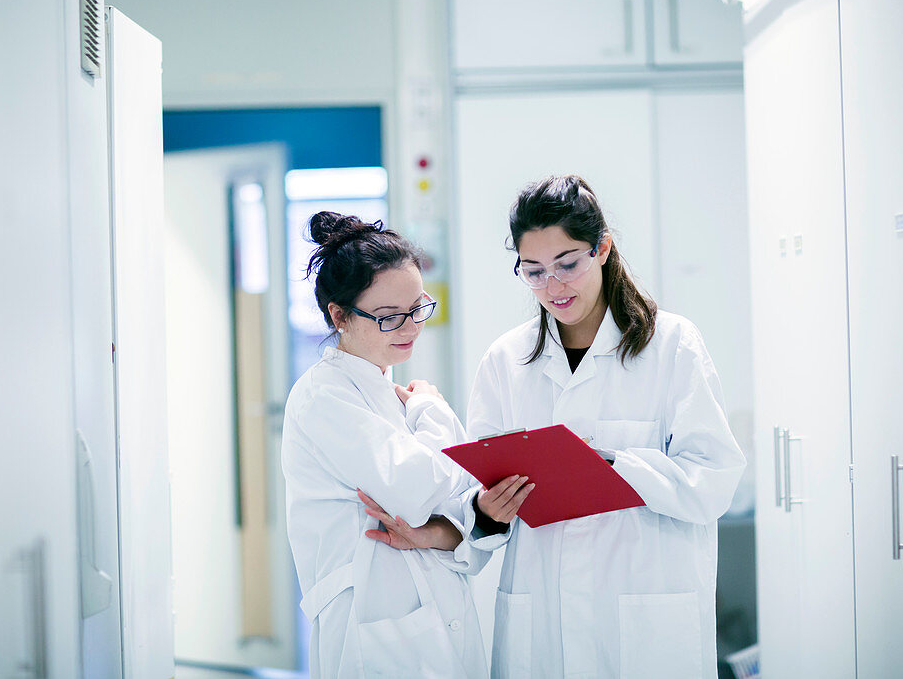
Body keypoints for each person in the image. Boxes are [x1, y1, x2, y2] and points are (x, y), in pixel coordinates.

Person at [465, 175, 747, 678]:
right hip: (543, 610)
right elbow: (475, 501)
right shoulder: (505, 361)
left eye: (567, 264)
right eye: (533, 271)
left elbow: (714, 479)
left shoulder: (673, 346)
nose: (553, 286)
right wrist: (487, 511)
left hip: (646, 614)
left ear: (603, 248)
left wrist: (615, 465)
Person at [281, 211, 490, 678]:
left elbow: (463, 495)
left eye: (418, 308)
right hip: (372, 620)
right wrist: (432, 410)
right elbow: (421, 491)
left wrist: (442, 515)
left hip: (430, 608)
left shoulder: (386, 391)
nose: (411, 326)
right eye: (390, 316)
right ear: (339, 315)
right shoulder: (325, 396)